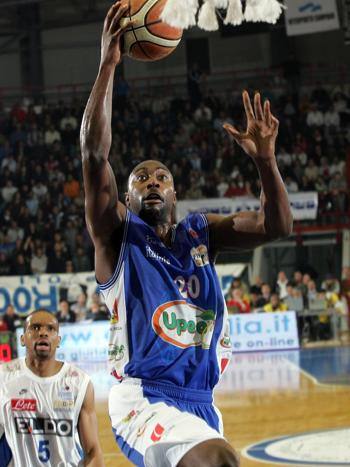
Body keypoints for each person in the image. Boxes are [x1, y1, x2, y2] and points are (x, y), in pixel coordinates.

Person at [80, 3, 293, 466]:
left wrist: (265, 162)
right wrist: (108, 65)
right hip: (143, 397)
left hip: (201, 400)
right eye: (140, 179)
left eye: (161, 178)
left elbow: (278, 226)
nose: (151, 182)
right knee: (221, 462)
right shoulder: (118, 237)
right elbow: (95, 156)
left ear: (175, 195)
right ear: (128, 198)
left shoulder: (202, 235)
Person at [0, 309, 104, 466]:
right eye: (35, 328)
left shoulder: (79, 383)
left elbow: (93, 452)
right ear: (22, 339)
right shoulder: (3, 378)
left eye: (50, 329)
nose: (43, 333)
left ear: (58, 340)